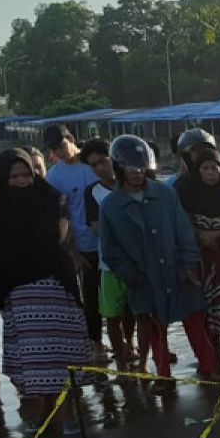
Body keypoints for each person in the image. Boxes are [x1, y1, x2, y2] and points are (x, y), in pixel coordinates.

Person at [99, 136, 220, 395]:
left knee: (195, 320)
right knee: (153, 327)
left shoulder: (165, 193)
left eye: (141, 168)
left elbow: (183, 230)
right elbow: (111, 251)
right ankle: (163, 375)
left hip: (178, 270)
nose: (136, 174)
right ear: (119, 167)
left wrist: (189, 263)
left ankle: (210, 367)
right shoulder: (111, 206)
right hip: (143, 277)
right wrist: (131, 275)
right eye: (131, 169)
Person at [0, 149, 89, 433]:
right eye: (13, 175)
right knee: (32, 359)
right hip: (18, 290)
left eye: (26, 174)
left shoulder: (52, 198)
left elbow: (58, 238)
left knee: (60, 355)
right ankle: (41, 411)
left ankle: (65, 413)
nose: (20, 180)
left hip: (54, 284)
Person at [176, 146, 220, 375]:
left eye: (214, 168)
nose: (210, 173)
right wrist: (201, 236)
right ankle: (212, 359)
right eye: (205, 168)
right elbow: (182, 223)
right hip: (201, 258)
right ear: (198, 171)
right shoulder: (186, 191)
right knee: (207, 310)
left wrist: (216, 234)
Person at [43, 124, 105, 363]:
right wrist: (73, 252)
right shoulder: (55, 176)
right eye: (54, 149)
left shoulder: (93, 163)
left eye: (61, 145)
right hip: (82, 243)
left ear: (71, 139)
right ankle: (96, 343)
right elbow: (61, 216)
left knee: (118, 294)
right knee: (90, 296)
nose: (59, 151)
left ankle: (127, 343)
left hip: (109, 240)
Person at [82, 138, 141, 372]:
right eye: (93, 165)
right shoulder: (93, 192)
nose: (99, 168)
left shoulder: (133, 184)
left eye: (102, 161)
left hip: (137, 261)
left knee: (137, 310)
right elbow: (97, 227)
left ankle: (134, 347)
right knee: (112, 313)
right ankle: (121, 361)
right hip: (109, 263)